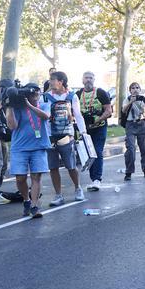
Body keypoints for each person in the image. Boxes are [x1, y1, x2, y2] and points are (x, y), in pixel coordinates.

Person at [5, 83, 51, 219]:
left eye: (38, 92)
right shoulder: (18, 108)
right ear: (27, 95)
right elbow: (13, 126)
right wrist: (9, 106)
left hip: (38, 146)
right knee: (20, 178)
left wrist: (30, 106)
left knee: (36, 176)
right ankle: (26, 200)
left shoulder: (43, 105)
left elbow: (46, 116)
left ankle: (35, 206)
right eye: (33, 93)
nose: (36, 95)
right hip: (20, 148)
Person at [43, 71, 87, 205]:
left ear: (61, 81)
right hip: (50, 136)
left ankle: (78, 188)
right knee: (53, 167)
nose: (50, 81)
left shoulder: (72, 96)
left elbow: (78, 115)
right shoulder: (44, 97)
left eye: (52, 79)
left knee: (70, 165)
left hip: (66, 134)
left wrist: (83, 132)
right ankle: (58, 195)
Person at [77, 72, 113, 190]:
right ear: (82, 80)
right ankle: (93, 178)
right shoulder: (77, 94)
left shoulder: (100, 92)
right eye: (86, 78)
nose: (88, 80)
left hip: (99, 127)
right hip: (85, 129)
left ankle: (96, 179)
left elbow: (108, 111)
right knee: (88, 154)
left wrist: (97, 120)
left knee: (97, 151)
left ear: (94, 80)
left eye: (91, 78)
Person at [120, 82, 145, 181]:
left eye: (137, 87)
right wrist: (131, 102)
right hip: (130, 125)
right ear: (130, 90)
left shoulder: (143, 99)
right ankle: (129, 172)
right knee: (130, 149)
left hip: (142, 124)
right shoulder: (126, 99)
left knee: (144, 148)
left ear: (140, 89)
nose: (135, 89)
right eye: (133, 88)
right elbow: (123, 110)